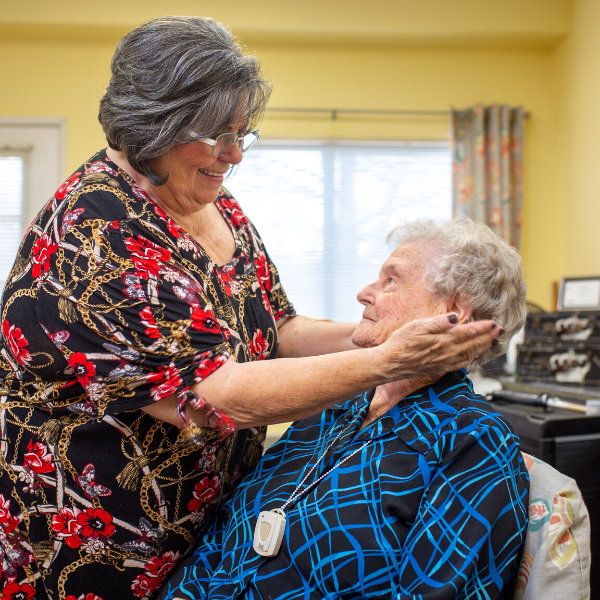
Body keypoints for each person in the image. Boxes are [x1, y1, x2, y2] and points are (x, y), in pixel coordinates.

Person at [0, 17, 501, 600]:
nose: (234, 154)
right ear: (154, 126)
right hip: (94, 549)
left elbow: (276, 326)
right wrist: (388, 360)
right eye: (217, 135)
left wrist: (382, 332)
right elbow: (212, 397)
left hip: (199, 546)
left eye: (242, 133)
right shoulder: (96, 233)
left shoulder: (209, 199)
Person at [160, 217, 529, 600]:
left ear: (452, 310)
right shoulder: (333, 405)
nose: (363, 293)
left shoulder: (474, 440)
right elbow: (222, 538)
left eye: (391, 280)